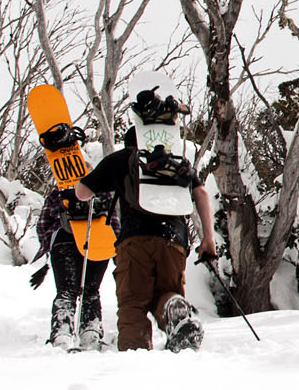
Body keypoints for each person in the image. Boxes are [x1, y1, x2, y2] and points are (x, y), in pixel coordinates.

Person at [75, 112, 216, 352]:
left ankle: (135, 356)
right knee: (166, 292)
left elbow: (82, 192)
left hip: (135, 240)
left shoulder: (121, 159)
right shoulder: (176, 162)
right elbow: (201, 194)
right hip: (174, 240)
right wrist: (208, 239)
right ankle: (175, 308)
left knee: (133, 303)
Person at [30, 188, 118, 351]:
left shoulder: (58, 194)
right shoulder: (102, 194)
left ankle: (62, 333)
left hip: (63, 242)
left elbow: (43, 225)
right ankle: (90, 332)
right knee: (91, 291)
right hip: (97, 241)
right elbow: (114, 223)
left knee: (66, 291)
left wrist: (48, 245)